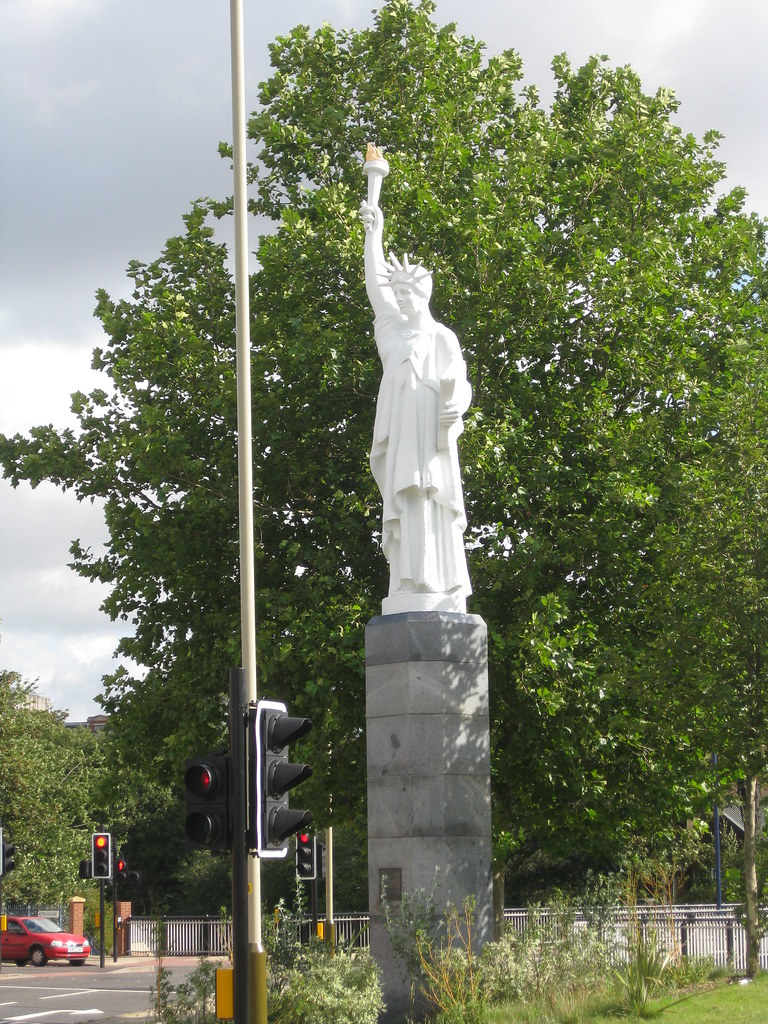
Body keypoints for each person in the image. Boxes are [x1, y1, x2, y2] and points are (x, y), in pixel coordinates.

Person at [359, 193, 472, 614]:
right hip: (402, 434)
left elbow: (460, 381)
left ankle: (436, 582)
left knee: (430, 500)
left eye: (408, 294)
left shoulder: (442, 336)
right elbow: (374, 285)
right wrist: (375, 233)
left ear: (423, 294)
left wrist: (455, 405)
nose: (401, 300)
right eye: (398, 294)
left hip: (431, 436)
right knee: (406, 502)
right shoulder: (391, 331)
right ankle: (408, 581)